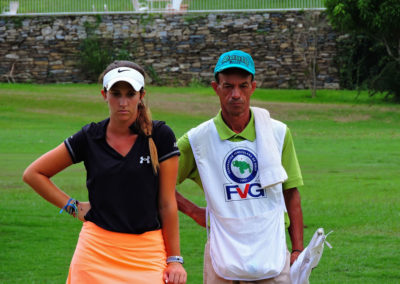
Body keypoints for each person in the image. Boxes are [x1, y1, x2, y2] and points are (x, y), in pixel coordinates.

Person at [22, 60, 187, 284]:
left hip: (146, 253)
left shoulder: (160, 136)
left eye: (130, 94)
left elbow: (167, 203)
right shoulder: (90, 137)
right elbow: (34, 173)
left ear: (141, 95)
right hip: (95, 254)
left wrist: (174, 260)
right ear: (104, 95)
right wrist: (74, 207)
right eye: (116, 93)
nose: (123, 102)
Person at [175, 50, 304, 283]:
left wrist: (297, 249)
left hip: (272, 250)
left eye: (243, 86)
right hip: (221, 252)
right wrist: (194, 212)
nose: (236, 94)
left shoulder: (278, 133)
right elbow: (156, 182)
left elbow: (291, 192)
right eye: (228, 86)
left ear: (253, 87)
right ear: (216, 87)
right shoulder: (198, 139)